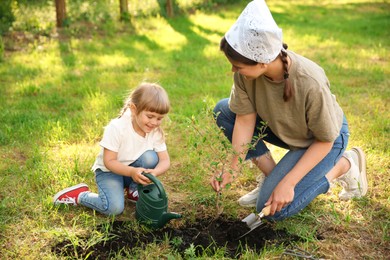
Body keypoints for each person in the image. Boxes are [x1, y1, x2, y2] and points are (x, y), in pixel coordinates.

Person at [210, 0, 368, 220]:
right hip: (287, 129)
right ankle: (272, 178)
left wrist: (289, 183)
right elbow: (245, 120)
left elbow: (325, 140)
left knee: (275, 211)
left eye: (238, 66)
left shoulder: (309, 80)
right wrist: (232, 167)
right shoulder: (244, 76)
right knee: (224, 110)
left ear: (262, 61)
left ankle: (345, 165)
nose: (233, 70)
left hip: (324, 140)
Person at [53, 82, 171, 216]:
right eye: (150, 116)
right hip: (109, 171)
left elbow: (165, 160)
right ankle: (81, 196)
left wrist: (155, 172)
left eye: (159, 118)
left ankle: (133, 189)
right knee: (113, 209)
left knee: (150, 157)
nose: (154, 122)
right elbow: (109, 161)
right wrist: (132, 171)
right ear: (134, 109)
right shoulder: (117, 128)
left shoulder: (155, 132)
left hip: (131, 171)